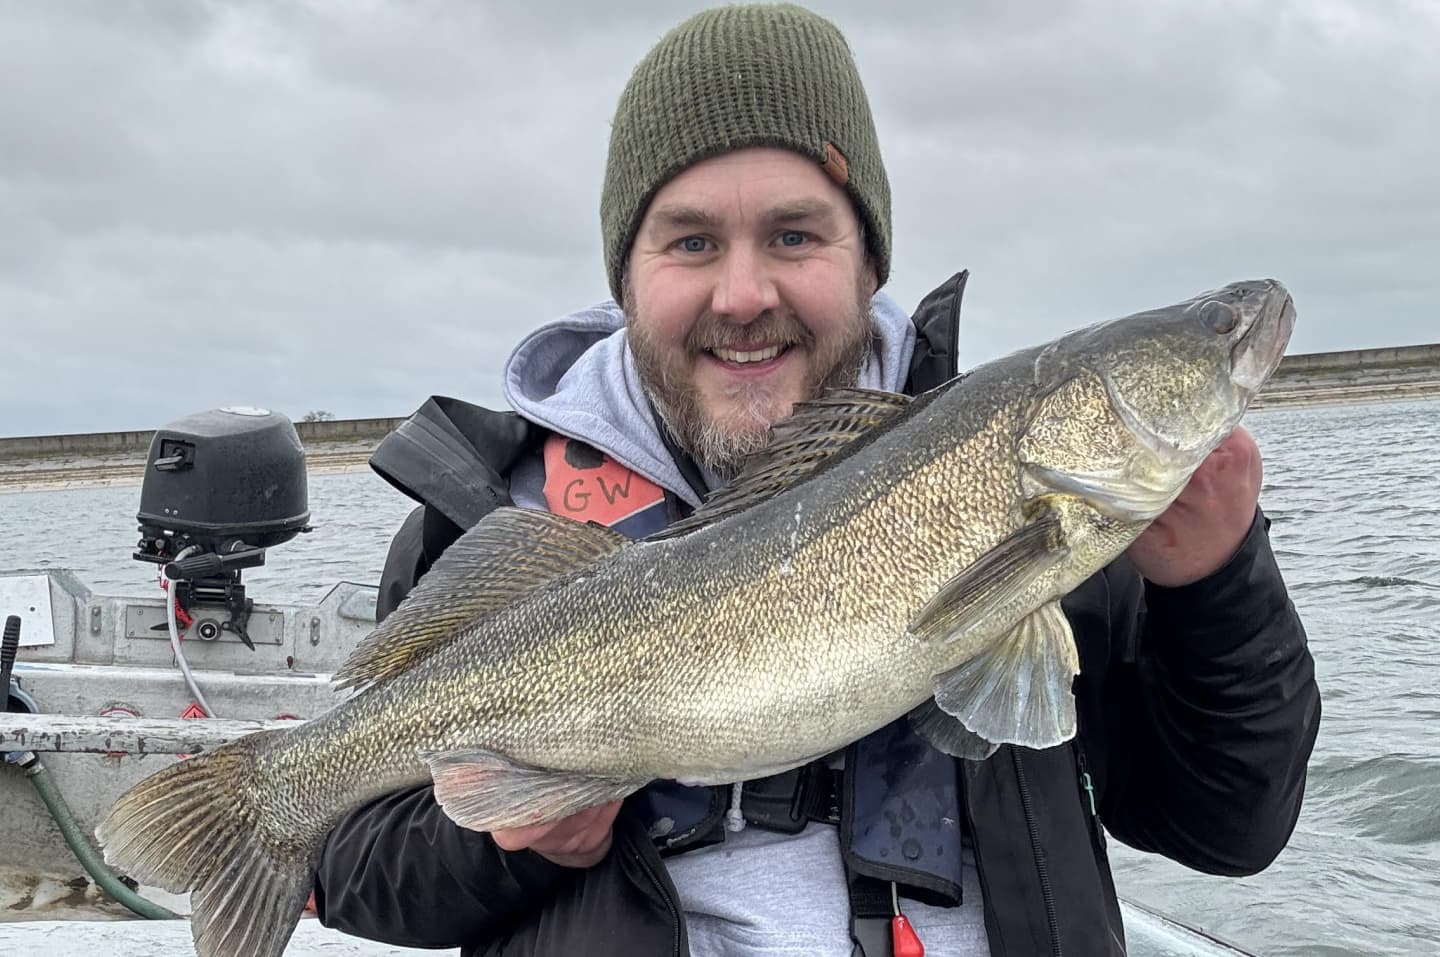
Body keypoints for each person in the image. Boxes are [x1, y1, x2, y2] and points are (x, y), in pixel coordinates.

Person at [312, 5, 1320, 955]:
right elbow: (346, 863)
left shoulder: (1050, 503)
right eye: (692, 242)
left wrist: (1216, 586)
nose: (744, 294)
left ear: (868, 261)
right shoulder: (492, 514)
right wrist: (503, 842)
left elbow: (1229, 827)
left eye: (795, 235)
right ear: (626, 275)